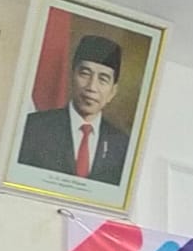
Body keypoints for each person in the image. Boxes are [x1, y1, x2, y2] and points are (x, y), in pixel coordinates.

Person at [18, 34, 130, 183]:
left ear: (112, 92)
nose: (91, 87)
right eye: (85, 74)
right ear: (71, 77)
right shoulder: (33, 127)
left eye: (103, 79)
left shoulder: (123, 145)